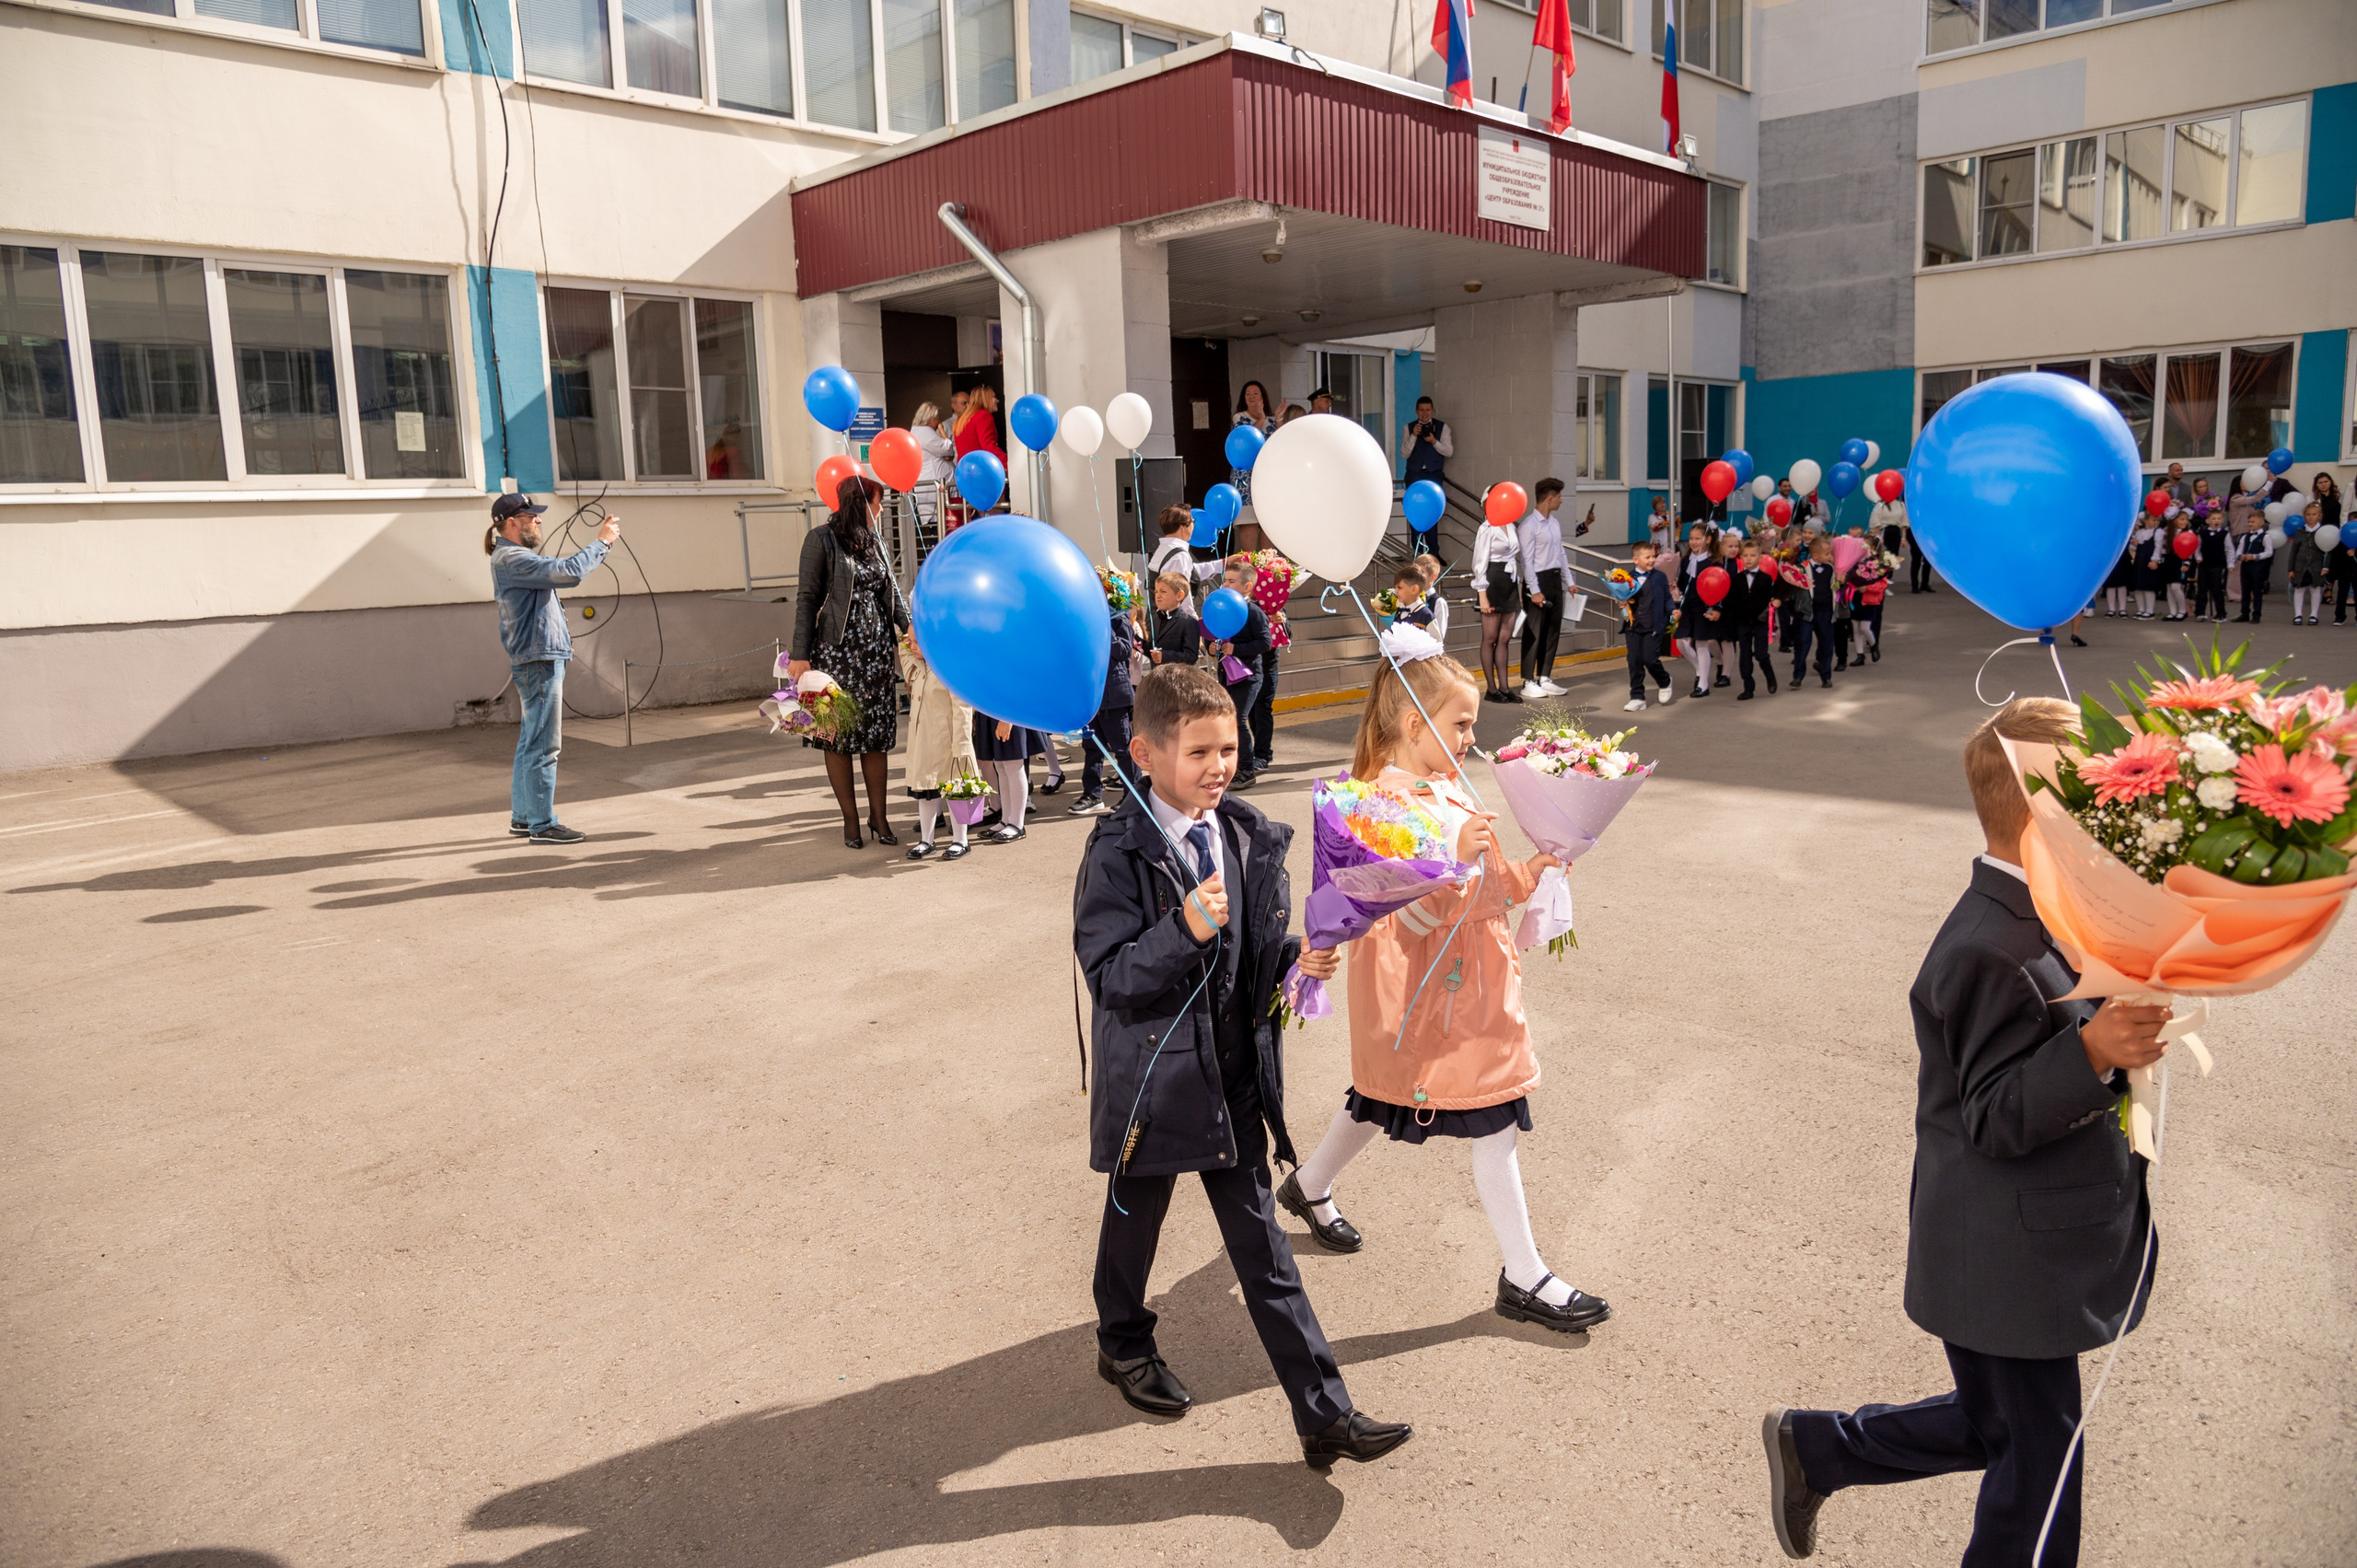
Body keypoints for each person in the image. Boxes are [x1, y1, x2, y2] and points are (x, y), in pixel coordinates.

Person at [1761, 697, 2168, 1566]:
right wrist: (2093, 1048)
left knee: (2007, 1428)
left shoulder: (2049, 912)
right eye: (2095, 795)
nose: (2114, 811)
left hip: (2008, 1247)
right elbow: (1992, 1112)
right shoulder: (1990, 943)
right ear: (2045, 811)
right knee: (2040, 1469)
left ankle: (1821, 1448)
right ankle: (1821, 1448)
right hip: (2005, 1256)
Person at [1077, 663, 1412, 1469]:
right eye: (1199, 752)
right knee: (1134, 1223)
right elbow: (1111, 977)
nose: (1219, 766)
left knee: (1264, 1248)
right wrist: (1180, 928)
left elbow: (1253, 953)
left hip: (1229, 1079)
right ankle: (1122, 1341)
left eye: (1227, 748)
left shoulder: (1248, 833)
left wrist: (1300, 962)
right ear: (1145, 754)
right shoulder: (1118, 849)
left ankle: (1323, 1413)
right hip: (1155, 1084)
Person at [1278, 630, 1604, 1330]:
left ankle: (1308, 1184)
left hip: (1467, 990)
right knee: (1494, 1119)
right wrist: (1451, 860)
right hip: (1433, 994)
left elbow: (1481, 887)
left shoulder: (1445, 785)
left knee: (1379, 1096)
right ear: (1409, 721)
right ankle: (1525, 1274)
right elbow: (1399, 913)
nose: (1468, 738)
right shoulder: (1378, 801)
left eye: (1472, 725)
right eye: (1459, 724)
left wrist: (1528, 872)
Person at [485, 493, 619, 844]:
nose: (538, 520)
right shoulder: (512, 558)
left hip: (538, 658)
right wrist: (602, 542)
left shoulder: (513, 557)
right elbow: (569, 572)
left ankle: (524, 818)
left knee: (531, 741)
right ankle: (542, 825)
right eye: (530, 516)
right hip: (538, 659)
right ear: (511, 522)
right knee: (544, 744)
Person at [791, 476, 908, 850]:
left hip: (875, 656)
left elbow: (893, 594)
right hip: (833, 655)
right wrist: (800, 654)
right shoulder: (820, 539)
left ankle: (880, 816)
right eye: (876, 502)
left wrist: (910, 630)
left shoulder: (877, 543)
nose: (880, 508)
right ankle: (850, 820)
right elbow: (806, 598)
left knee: (876, 739)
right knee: (836, 739)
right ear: (860, 502)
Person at [900, 628, 980, 862]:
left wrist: (963, 743)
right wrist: (906, 637)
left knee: (956, 790)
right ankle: (927, 840)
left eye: (916, 642)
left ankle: (960, 840)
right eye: (910, 641)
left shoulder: (950, 669)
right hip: (923, 741)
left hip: (949, 741)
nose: (911, 646)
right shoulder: (916, 665)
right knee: (925, 792)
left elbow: (963, 708)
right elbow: (904, 651)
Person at [1073, 590, 1139, 814]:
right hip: (1091, 695)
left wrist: (1104, 628)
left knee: (1123, 748)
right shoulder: (1084, 620)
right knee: (1091, 747)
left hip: (1114, 694)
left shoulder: (1118, 618)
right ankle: (1092, 794)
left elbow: (1122, 651)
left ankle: (1134, 795)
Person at [1209, 560, 1271, 790]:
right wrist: (1211, 647)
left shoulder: (1253, 612)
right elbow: (1212, 634)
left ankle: (1246, 768)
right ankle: (1233, 764)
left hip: (1248, 675)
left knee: (1238, 719)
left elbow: (1265, 642)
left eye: (1231, 581)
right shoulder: (1222, 607)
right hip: (1227, 673)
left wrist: (1237, 649)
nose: (1225, 585)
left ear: (1247, 587)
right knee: (1228, 719)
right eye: (1224, 580)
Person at [1516, 478, 1570, 701]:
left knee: (1552, 631)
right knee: (1534, 633)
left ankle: (1544, 676)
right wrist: (1534, 590)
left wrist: (1569, 580)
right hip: (1536, 581)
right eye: (1558, 496)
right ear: (1549, 498)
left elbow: (1561, 553)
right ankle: (1528, 680)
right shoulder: (1529, 525)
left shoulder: (1554, 523)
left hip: (1554, 579)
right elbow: (1526, 561)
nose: (1561, 500)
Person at [1471, 501, 1523, 703]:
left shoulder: (1510, 524)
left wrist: (1516, 589)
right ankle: (1491, 689)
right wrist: (1482, 593)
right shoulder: (1486, 527)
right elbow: (1479, 562)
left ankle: (1505, 686)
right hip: (1492, 580)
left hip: (1509, 581)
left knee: (1505, 637)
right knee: (1490, 638)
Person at [1622, 540, 1675, 713]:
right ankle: (1637, 697)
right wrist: (1621, 602)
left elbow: (1667, 597)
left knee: (1650, 659)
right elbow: (1624, 597)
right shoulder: (1626, 578)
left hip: (1654, 625)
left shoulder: (1659, 577)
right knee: (1634, 660)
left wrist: (1673, 611)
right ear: (1636, 560)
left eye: (1653, 556)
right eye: (1648, 557)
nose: (1652, 560)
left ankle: (1665, 681)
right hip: (1633, 626)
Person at [1726, 538, 1780, 699]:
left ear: (1759, 557)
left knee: (1761, 654)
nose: (1748, 559)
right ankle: (1748, 687)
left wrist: (1776, 601)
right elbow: (1732, 602)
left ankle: (1769, 676)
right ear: (1741, 558)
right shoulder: (1736, 579)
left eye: (1752, 555)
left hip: (1760, 622)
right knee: (1745, 654)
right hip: (1742, 622)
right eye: (1745, 555)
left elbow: (1770, 598)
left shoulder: (1765, 578)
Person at [1675, 525, 1724, 698]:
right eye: (1691, 538)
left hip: (1705, 607)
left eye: (1698, 538)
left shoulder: (1714, 561)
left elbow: (1721, 587)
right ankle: (1699, 670)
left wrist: (1717, 608)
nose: (1693, 542)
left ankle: (1703, 685)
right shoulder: (1686, 559)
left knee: (1701, 644)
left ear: (1708, 540)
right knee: (1680, 641)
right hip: (1687, 606)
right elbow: (1682, 583)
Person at [1401, 396, 1453, 555]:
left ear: (1433, 410)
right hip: (1414, 474)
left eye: (1428, 410)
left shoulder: (1443, 428)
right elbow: (1404, 453)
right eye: (1421, 410)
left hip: (1433, 475)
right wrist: (1414, 436)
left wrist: (1433, 441)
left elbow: (1449, 451)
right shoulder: (1408, 428)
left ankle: (1434, 554)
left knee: (1433, 513)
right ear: (1416, 411)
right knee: (1415, 513)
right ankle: (1418, 553)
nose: (1424, 414)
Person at [1794, 537, 1837, 690]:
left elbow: (1834, 587)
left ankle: (1826, 676)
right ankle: (1798, 676)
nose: (1830, 557)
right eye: (1827, 554)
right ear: (1815, 554)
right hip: (1807, 613)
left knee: (1826, 644)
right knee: (1803, 644)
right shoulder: (1802, 568)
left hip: (1825, 612)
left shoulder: (1830, 569)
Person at [911, 401, 956, 535]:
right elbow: (948, 449)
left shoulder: (918, 432)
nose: (939, 422)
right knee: (939, 531)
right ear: (931, 419)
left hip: (933, 487)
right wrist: (942, 431)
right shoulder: (925, 433)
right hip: (935, 489)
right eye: (938, 419)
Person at [1846, 544, 1890, 663]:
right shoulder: (1853, 565)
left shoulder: (1878, 567)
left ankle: (1873, 645)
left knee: (1864, 627)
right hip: (1855, 599)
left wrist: (1867, 588)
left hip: (1869, 601)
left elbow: (1882, 585)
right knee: (1856, 628)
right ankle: (1859, 655)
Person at [2287, 502, 2328, 624]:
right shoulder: (2300, 532)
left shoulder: (2323, 532)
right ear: (2305, 516)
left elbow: (2328, 551)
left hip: (2317, 566)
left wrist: (2326, 566)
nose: (2311, 517)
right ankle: (2298, 615)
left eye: (2314, 514)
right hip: (2300, 566)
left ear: (2319, 516)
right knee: (2299, 589)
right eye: (2308, 514)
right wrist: (2290, 568)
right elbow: (2293, 552)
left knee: (2315, 589)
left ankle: (2314, 615)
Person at [1150, 573, 1202, 668]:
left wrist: (1164, 656)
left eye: (1163, 592)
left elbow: (1191, 656)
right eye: (1156, 591)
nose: (1157, 596)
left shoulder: (1189, 622)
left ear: (1179, 596)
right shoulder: (1156, 619)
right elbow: (1151, 649)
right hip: (1157, 678)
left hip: (1179, 678)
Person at [2193, 506, 2231, 621]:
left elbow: (2229, 550)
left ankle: (2221, 613)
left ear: (2222, 520)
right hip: (2204, 565)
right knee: (2202, 589)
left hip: (2217, 565)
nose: (2216, 521)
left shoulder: (2225, 534)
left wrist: (2230, 564)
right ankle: (2200, 612)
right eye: (2213, 519)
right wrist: (2198, 557)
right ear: (2208, 521)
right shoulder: (2203, 533)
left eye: (2219, 518)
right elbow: (2197, 547)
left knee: (2217, 589)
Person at [2232, 521, 2274, 623]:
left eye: (2253, 522)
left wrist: (2256, 556)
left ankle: (2256, 614)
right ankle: (2244, 613)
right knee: (2245, 590)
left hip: (2258, 566)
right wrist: (2240, 556)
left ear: (2261, 522)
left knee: (2257, 591)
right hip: (2246, 565)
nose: (2250, 524)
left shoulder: (2266, 537)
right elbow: (2239, 550)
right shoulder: (2245, 537)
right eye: (2249, 522)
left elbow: (2269, 552)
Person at [1412, 553, 1449, 643]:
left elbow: (1439, 636)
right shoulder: (1411, 598)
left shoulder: (1438, 602)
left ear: (1433, 576)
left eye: (1422, 573)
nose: (1417, 577)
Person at [1389, 563, 1435, 630]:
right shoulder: (1400, 610)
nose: (1396, 591)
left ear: (1414, 589)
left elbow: (1437, 640)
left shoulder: (1426, 615)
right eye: (1395, 587)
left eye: (1399, 588)